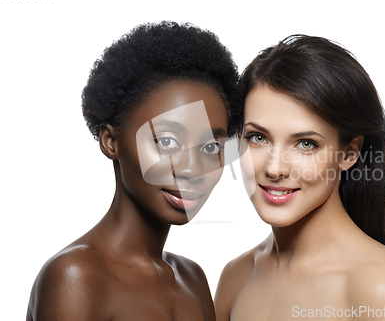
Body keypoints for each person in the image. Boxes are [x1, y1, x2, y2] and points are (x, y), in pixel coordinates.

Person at [26, 21, 240, 321]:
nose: (193, 169)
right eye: (167, 141)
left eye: (211, 148)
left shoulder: (192, 279)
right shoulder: (77, 276)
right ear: (111, 141)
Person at [215, 35, 385, 320]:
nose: (275, 168)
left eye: (306, 144)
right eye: (258, 137)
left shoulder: (382, 289)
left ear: (349, 153)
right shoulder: (236, 278)